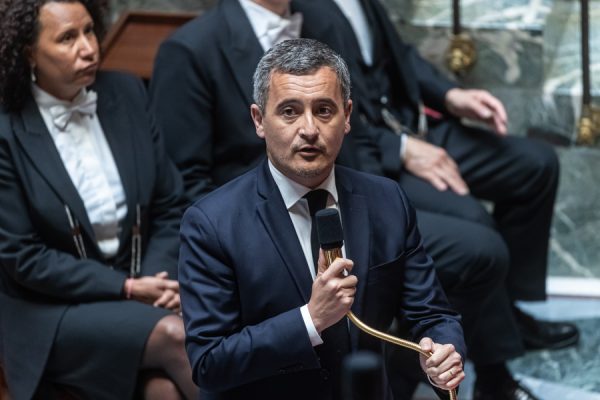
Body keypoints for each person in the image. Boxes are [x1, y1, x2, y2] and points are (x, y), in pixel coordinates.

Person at [292, 0, 579, 398]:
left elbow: (399, 54)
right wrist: (402, 148)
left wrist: (452, 95)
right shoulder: (301, 10)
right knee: (473, 222)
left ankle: (512, 315)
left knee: (535, 164)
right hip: (374, 154)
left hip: (416, 124)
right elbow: (324, 111)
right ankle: (493, 369)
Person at [178, 38, 466, 400]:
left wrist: (443, 352)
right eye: (289, 111)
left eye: (324, 110)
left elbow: (433, 314)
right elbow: (209, 363)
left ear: (347, 116)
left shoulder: (386, 200)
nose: (309, 129)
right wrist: (310, 320)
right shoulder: (211, 223)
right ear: (259, 120)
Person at [0, 1, 198, 399]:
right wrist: (126, 287)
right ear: (28, 52)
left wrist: (155, 284)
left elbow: (169, 205)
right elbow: (23, 256)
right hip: (50, 311)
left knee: (163, 391)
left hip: (143, 292)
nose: (88, 48)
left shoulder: (126, 92)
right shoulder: (7, 129)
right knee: (178, 336)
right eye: (67, 38)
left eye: (89, 30)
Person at [149, 0, 361, 202]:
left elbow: (358, 137)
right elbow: (185, 180)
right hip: (243, 217)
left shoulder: (327, 21)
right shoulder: (189, 49)